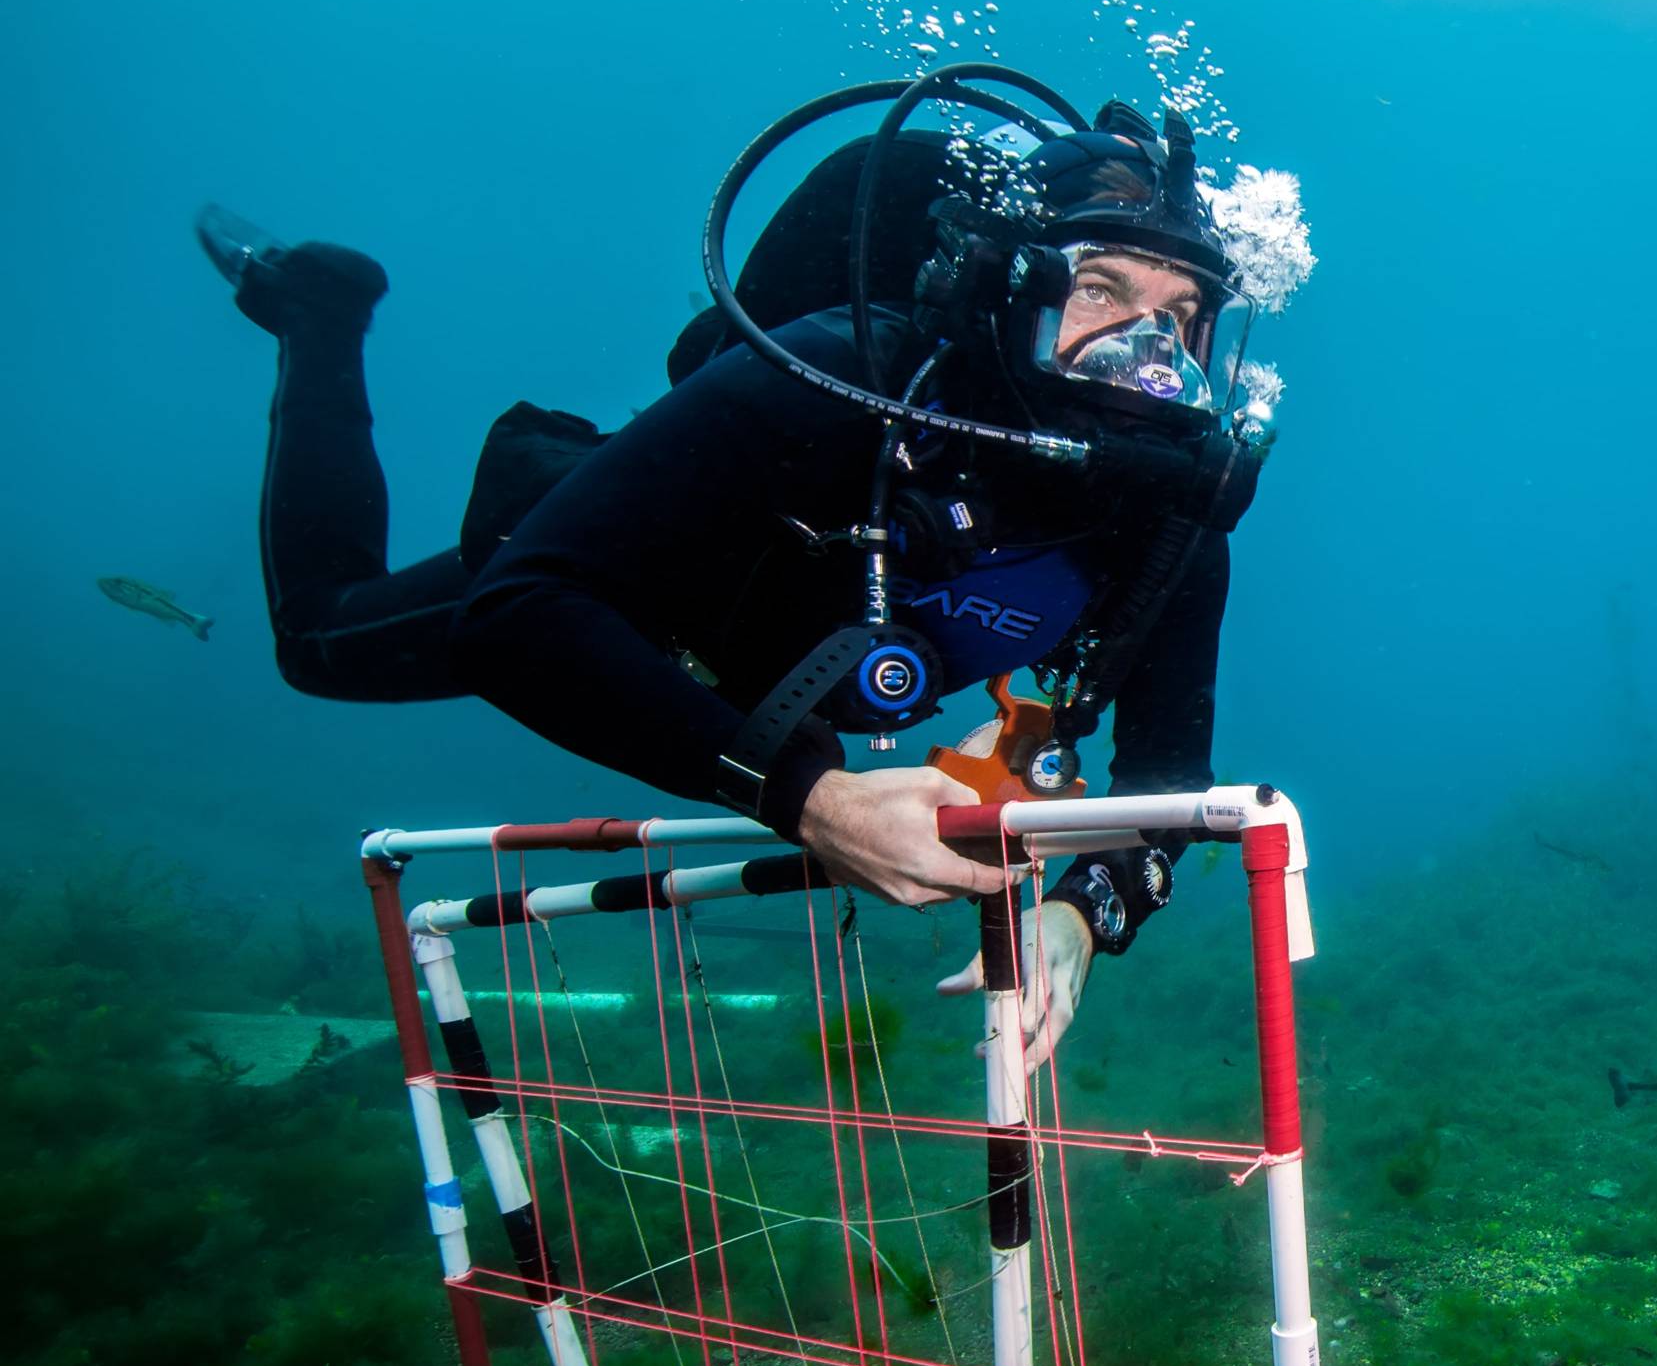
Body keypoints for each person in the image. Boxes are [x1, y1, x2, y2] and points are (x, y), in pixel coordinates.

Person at [202, 70, 1306, 1056]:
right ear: (1014, 283)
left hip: (792, 677)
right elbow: (518, 616)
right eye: (1101, 289)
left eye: (1181, 316)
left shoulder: (1166, 510)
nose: (1141, 350)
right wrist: (808, 796)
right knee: (319, 639)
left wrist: (1079, 915)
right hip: (643, 591)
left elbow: (1165, 774)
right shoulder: (835, 376)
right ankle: (317, 313)